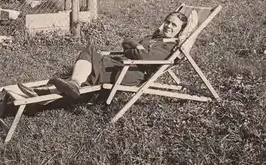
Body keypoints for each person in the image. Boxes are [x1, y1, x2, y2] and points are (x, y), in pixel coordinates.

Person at [18, 10, 198, 99]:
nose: (168, 26)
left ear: (180, 31)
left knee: (90, 67)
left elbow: (142, 57)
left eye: (174, 26)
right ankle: (66, 86)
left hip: (131, 73)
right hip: (125, 63)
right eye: (168, 22)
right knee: (88, 52)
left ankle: (43, 94)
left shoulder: (168, 47)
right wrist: (136, 48)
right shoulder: (154, 37)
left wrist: (135, 49)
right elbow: (128, 43)